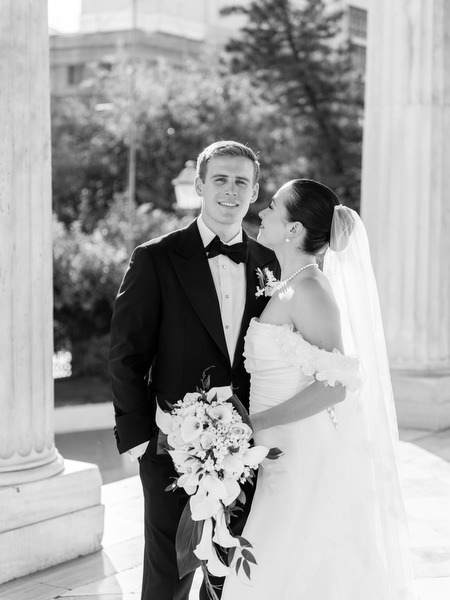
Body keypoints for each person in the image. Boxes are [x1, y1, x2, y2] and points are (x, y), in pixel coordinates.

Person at [222, 179, 416, 599]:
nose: (262, 213)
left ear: (293, 229)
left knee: (291, 559)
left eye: (273, 207)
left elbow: (335, 387)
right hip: (278, 447)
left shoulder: (309, 288)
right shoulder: (289, 283)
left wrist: (254, 423)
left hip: (299, 449)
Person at [108, 140, 279, 600]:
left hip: (247, 449)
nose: (231, 190)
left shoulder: (269, 264)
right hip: (168, 447)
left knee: (230, 575)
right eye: (220, 179)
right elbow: (127, 353)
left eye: (242, 181)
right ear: (200, 185)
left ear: (256, 190)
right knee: (169, 577)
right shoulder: (156, 258)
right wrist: (138, 436)